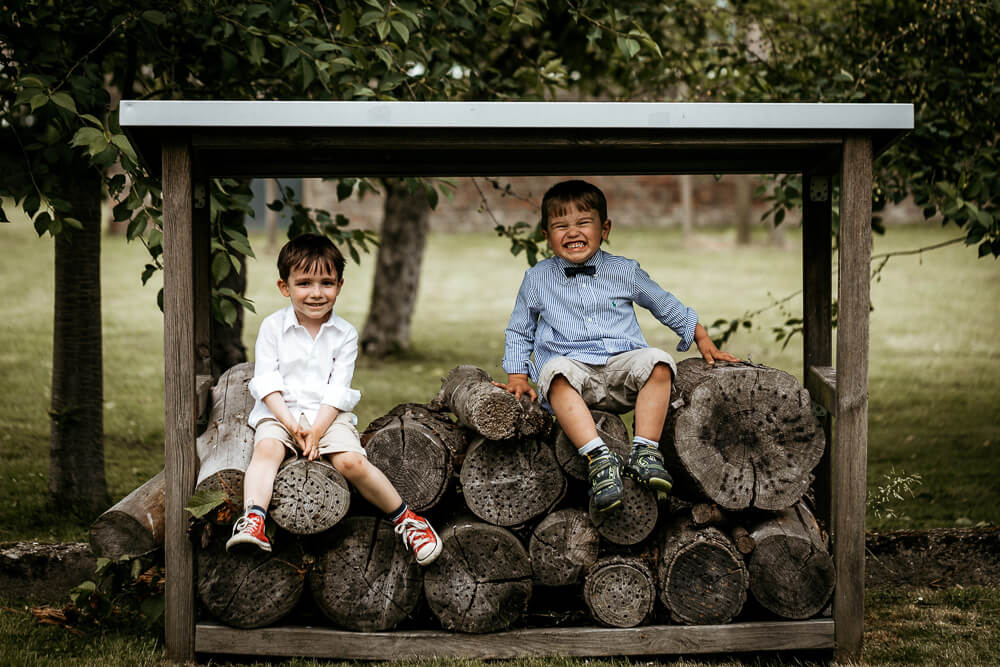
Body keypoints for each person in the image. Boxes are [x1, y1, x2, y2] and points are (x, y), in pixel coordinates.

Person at [495, 180, 739, 512]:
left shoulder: (624, 270)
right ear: (545, 234)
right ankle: (599, 458)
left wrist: (702, 337)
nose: (572, 232)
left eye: (583, 222)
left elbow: (663, 303)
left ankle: (645, 452)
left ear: (604, 228)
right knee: (554, 372)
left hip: (622, 370)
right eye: (560, 225)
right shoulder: (537, 278)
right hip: (574, 377)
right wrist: (518, 377)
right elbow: (519, 331)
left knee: (659, 361)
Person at [226, 234, 442, 565]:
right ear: (285, 287)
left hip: (329, 415)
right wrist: (291, 425)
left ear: (339, 285)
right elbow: (267, 382)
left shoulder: (345, 335)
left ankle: (408, 520)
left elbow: (337, 391)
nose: (316, 293)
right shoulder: (272, 328)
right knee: (268, 449)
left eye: (326, 282)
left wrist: (315, 431)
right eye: (304, 283)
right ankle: (254, 519)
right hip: (279, 411)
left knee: (351, 462)